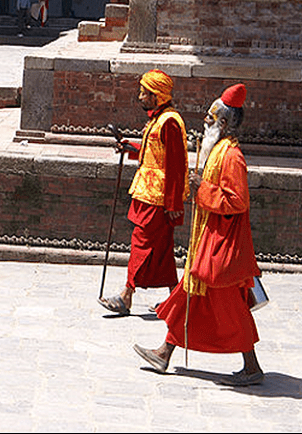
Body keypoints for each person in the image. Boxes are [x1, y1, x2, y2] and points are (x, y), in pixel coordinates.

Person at [134, 83, 265, 387]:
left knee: (228, 303)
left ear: (223, 122)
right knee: (189, 293)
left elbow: (237, 201)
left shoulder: (231, 156)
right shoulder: (216, 151)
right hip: (208, 237)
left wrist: (200, 188)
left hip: (223, 243)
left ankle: (252, 366)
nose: (205, 120)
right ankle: (165, 352)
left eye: (210, 116)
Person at [99, 69, 189, 315]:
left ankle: (126, 295)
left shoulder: (170, 121)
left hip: (157, 198)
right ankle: (177, 301)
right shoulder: (158, 120)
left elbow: (175, 165)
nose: (140, 97)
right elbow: (153, 151)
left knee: (142, 243)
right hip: (147, 193)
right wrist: (129, 146)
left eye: (145, 93)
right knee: (161, 250)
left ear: (157, 96)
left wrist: (173, 204)